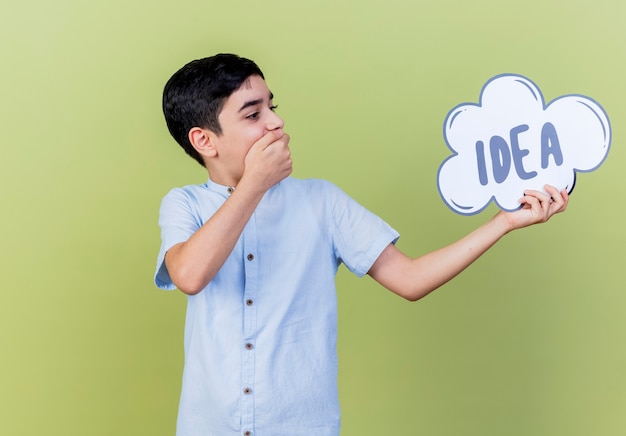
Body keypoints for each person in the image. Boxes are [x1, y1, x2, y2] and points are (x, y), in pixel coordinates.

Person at [154, 53, 568, 436]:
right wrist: (254, 185)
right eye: (252, 114)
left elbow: (410, 279)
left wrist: (504, 222)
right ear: (205, 141)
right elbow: (190, 275)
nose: (275, 123)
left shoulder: (322, 201)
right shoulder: (183, 204)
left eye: (272, 107)